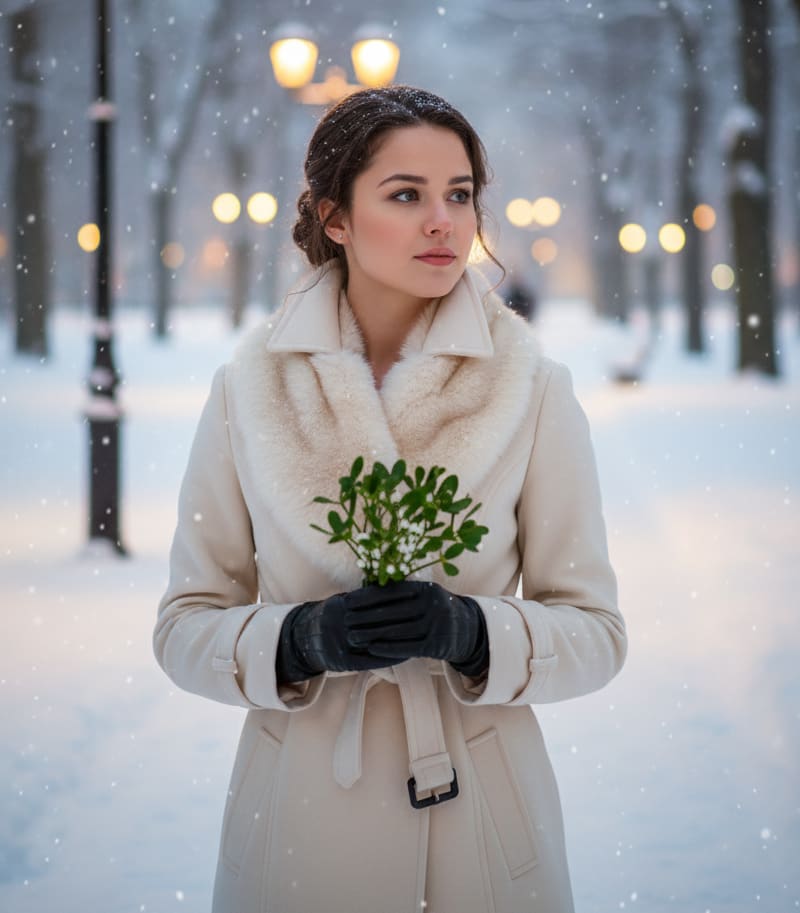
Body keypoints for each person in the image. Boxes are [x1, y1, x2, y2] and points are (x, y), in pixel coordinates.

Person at [154, 85, 627, 913]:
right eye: (407, 195)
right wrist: (297, 641)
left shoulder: (531, 386)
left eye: (460, 195)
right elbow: (185, 625)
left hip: (480, 826)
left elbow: (596, 631)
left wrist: (473, 632)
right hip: (297, 825)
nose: (444, 222)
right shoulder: (250, 388)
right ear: (334, 217)